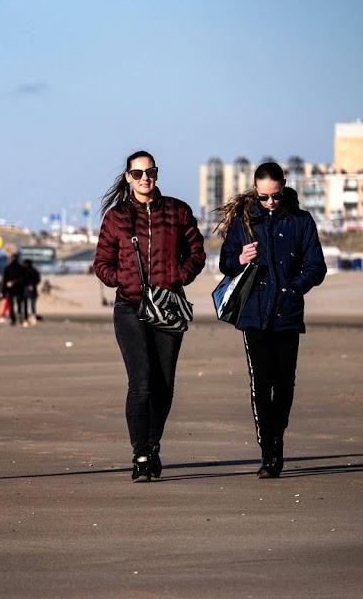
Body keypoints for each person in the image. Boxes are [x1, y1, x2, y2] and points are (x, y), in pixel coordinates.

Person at [93, 150, 206, 482]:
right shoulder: (116, 217)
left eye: (150, 171)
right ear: (128, 177)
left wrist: (179, 276)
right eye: (138, 173)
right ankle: (141, 455)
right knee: (141, 382)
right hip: (129, 306)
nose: (146, 178)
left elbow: (197, 251)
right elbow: (101, 262)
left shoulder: (177, 210)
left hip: (169, 303)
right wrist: (122, 280)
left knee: (164, 384)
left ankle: (152, 445)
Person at [217, 162, 326, 479]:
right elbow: (226, 262)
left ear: (284, 188)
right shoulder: (243, 221)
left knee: (285, 384)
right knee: (260, 384)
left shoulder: (301, 221)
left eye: (275, 197)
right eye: (263, 197)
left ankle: (276, 436)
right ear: (254, 190)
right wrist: (240, 258)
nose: (269, 203)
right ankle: (269, 452)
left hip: (288, 314)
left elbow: (316, 266)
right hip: (254, 314)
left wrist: (295, 289)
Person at [21, 258, 41, 326]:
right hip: (29, 289)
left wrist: (30, 285)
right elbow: (38, 280)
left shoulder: (26, 271)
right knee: (31, 305)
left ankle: (29, 317)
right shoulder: (34, 271)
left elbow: (23, 280)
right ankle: (31, 317)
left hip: (26, 290)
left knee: (29, 305)